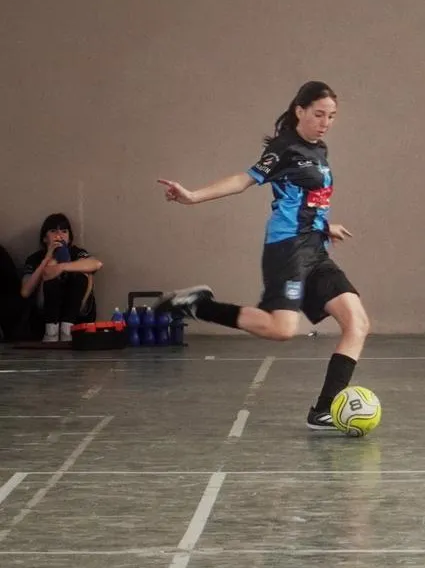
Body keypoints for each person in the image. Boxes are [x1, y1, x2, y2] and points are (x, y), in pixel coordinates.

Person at [154, 81, 369, 430]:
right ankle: (198, 306)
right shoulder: (285, 149)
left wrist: (324, 225)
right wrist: (192, 196)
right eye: (318, 115)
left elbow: (304, 198)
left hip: (315, 248)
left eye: (331, 116)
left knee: (357, 323)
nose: (325, 123)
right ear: (299, 110)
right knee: (281, 329)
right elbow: (243, 180)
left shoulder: (319, 149)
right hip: (288, 249)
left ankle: (323, 411)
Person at [19, 213, 102, 342]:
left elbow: (97, 264)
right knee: (49, 274)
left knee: (84, 273)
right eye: (53, 231)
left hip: (76, 309)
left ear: (69, 237)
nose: (59, 235)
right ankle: (51, 331)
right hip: (44, 310)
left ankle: (67, 329)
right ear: (44, 238)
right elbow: (25, 292)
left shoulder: (76, 252)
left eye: (64, 231)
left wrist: (62, 267)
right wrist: (46, 260)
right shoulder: (35, 258)